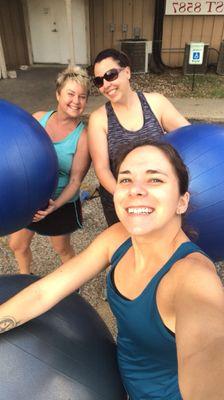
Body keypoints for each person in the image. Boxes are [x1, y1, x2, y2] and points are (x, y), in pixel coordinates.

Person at [1, 140, 224, 399]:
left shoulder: (193, 278)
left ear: (181, 202)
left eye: (155, 180)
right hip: (123, 383)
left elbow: (208, 361)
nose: (136, 190)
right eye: (126, 180)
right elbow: (44, 292)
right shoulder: (118, 237)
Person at [88, 48, 190, 226]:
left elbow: (191, 138)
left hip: (159, 198)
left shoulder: (156, 103)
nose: (106, 85)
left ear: (127, 72)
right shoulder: (99, 119)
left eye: (111, 75)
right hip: (122, 201)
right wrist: (126, 196)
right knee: (126, 250)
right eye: (99, 81)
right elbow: (102, 169)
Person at [9, 66, 91, 274]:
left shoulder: (83, 137)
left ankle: (73, 283)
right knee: (17, 244)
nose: (76, 101)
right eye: (70, 94)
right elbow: (17, 152)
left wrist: (54, 207)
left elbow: (75, 181)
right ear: (58, 94)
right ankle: (24, 277)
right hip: (31, 198)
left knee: (61, 247)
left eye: (82, 97)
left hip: (59, 202)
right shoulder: (37, 119)